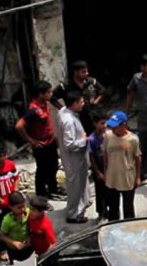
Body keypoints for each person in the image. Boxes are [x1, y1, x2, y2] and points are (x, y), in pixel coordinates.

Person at [16, 82, 60, 199]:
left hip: (50, 141)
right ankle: (41, 193)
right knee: (42, 169)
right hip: (41, 145)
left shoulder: (45, 103)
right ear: (41, 94)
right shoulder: (33, 110)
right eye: (48, 92)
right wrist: (31, 141)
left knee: (53, 166)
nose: (51, 94)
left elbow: (55, 101)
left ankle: (53, 189)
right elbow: (19, 126)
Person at [59, 90, 91, 223]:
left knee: (82, 182)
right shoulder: (69, 121)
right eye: (81, 102)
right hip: (74, 158)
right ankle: (74, 214)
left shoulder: (63, 111)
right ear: (74, 103)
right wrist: (84, 140)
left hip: (77, 157)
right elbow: (69, 144)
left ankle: (84, 202)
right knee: (75, 186)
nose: (83, 104)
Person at [102, 111, 141, 221]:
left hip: (127, 177)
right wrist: (105, 172)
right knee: (113, 206)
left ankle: (129, 226)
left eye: (116, 126)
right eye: (112, 126)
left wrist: (138, 177)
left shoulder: (133, 139)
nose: (113, 129)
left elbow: (138, 158)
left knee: (128, 207)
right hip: (112, 176)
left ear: (124, 125)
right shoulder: (108, 136)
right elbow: (105, 154)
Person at [86, 108, 110, 221]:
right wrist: (98, 172)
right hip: (99, 170)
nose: (104, 126)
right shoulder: (92, 139)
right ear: (95, 124)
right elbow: (91, 157)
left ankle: (111, 211)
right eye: (102, 123)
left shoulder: (109, 135)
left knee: (110, 192)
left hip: (109, 168)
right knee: (100, 193)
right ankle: (101, 213)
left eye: (105, 123)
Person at [0, 191, 34, 263]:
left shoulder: (28, 213)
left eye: (23, 206)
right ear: (10, 207)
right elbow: (2, 236)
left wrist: (30, 237)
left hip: (28, 246)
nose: (22, 209)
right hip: (14, 250)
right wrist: (14, 243)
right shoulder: (7, 221)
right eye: (19, 208)